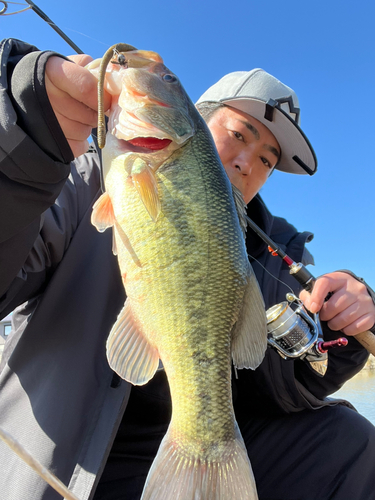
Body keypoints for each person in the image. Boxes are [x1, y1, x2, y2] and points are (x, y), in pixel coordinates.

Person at [0, 37, 375, 500]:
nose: (245, 163)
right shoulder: (80, 174)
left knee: (349, 441)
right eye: (239, 135)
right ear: (195, 117)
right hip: (62, 451)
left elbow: (279, 386)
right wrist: (29, 137)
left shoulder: (275, 250)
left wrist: (340, 327)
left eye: (266, 160)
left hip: (178, 447)